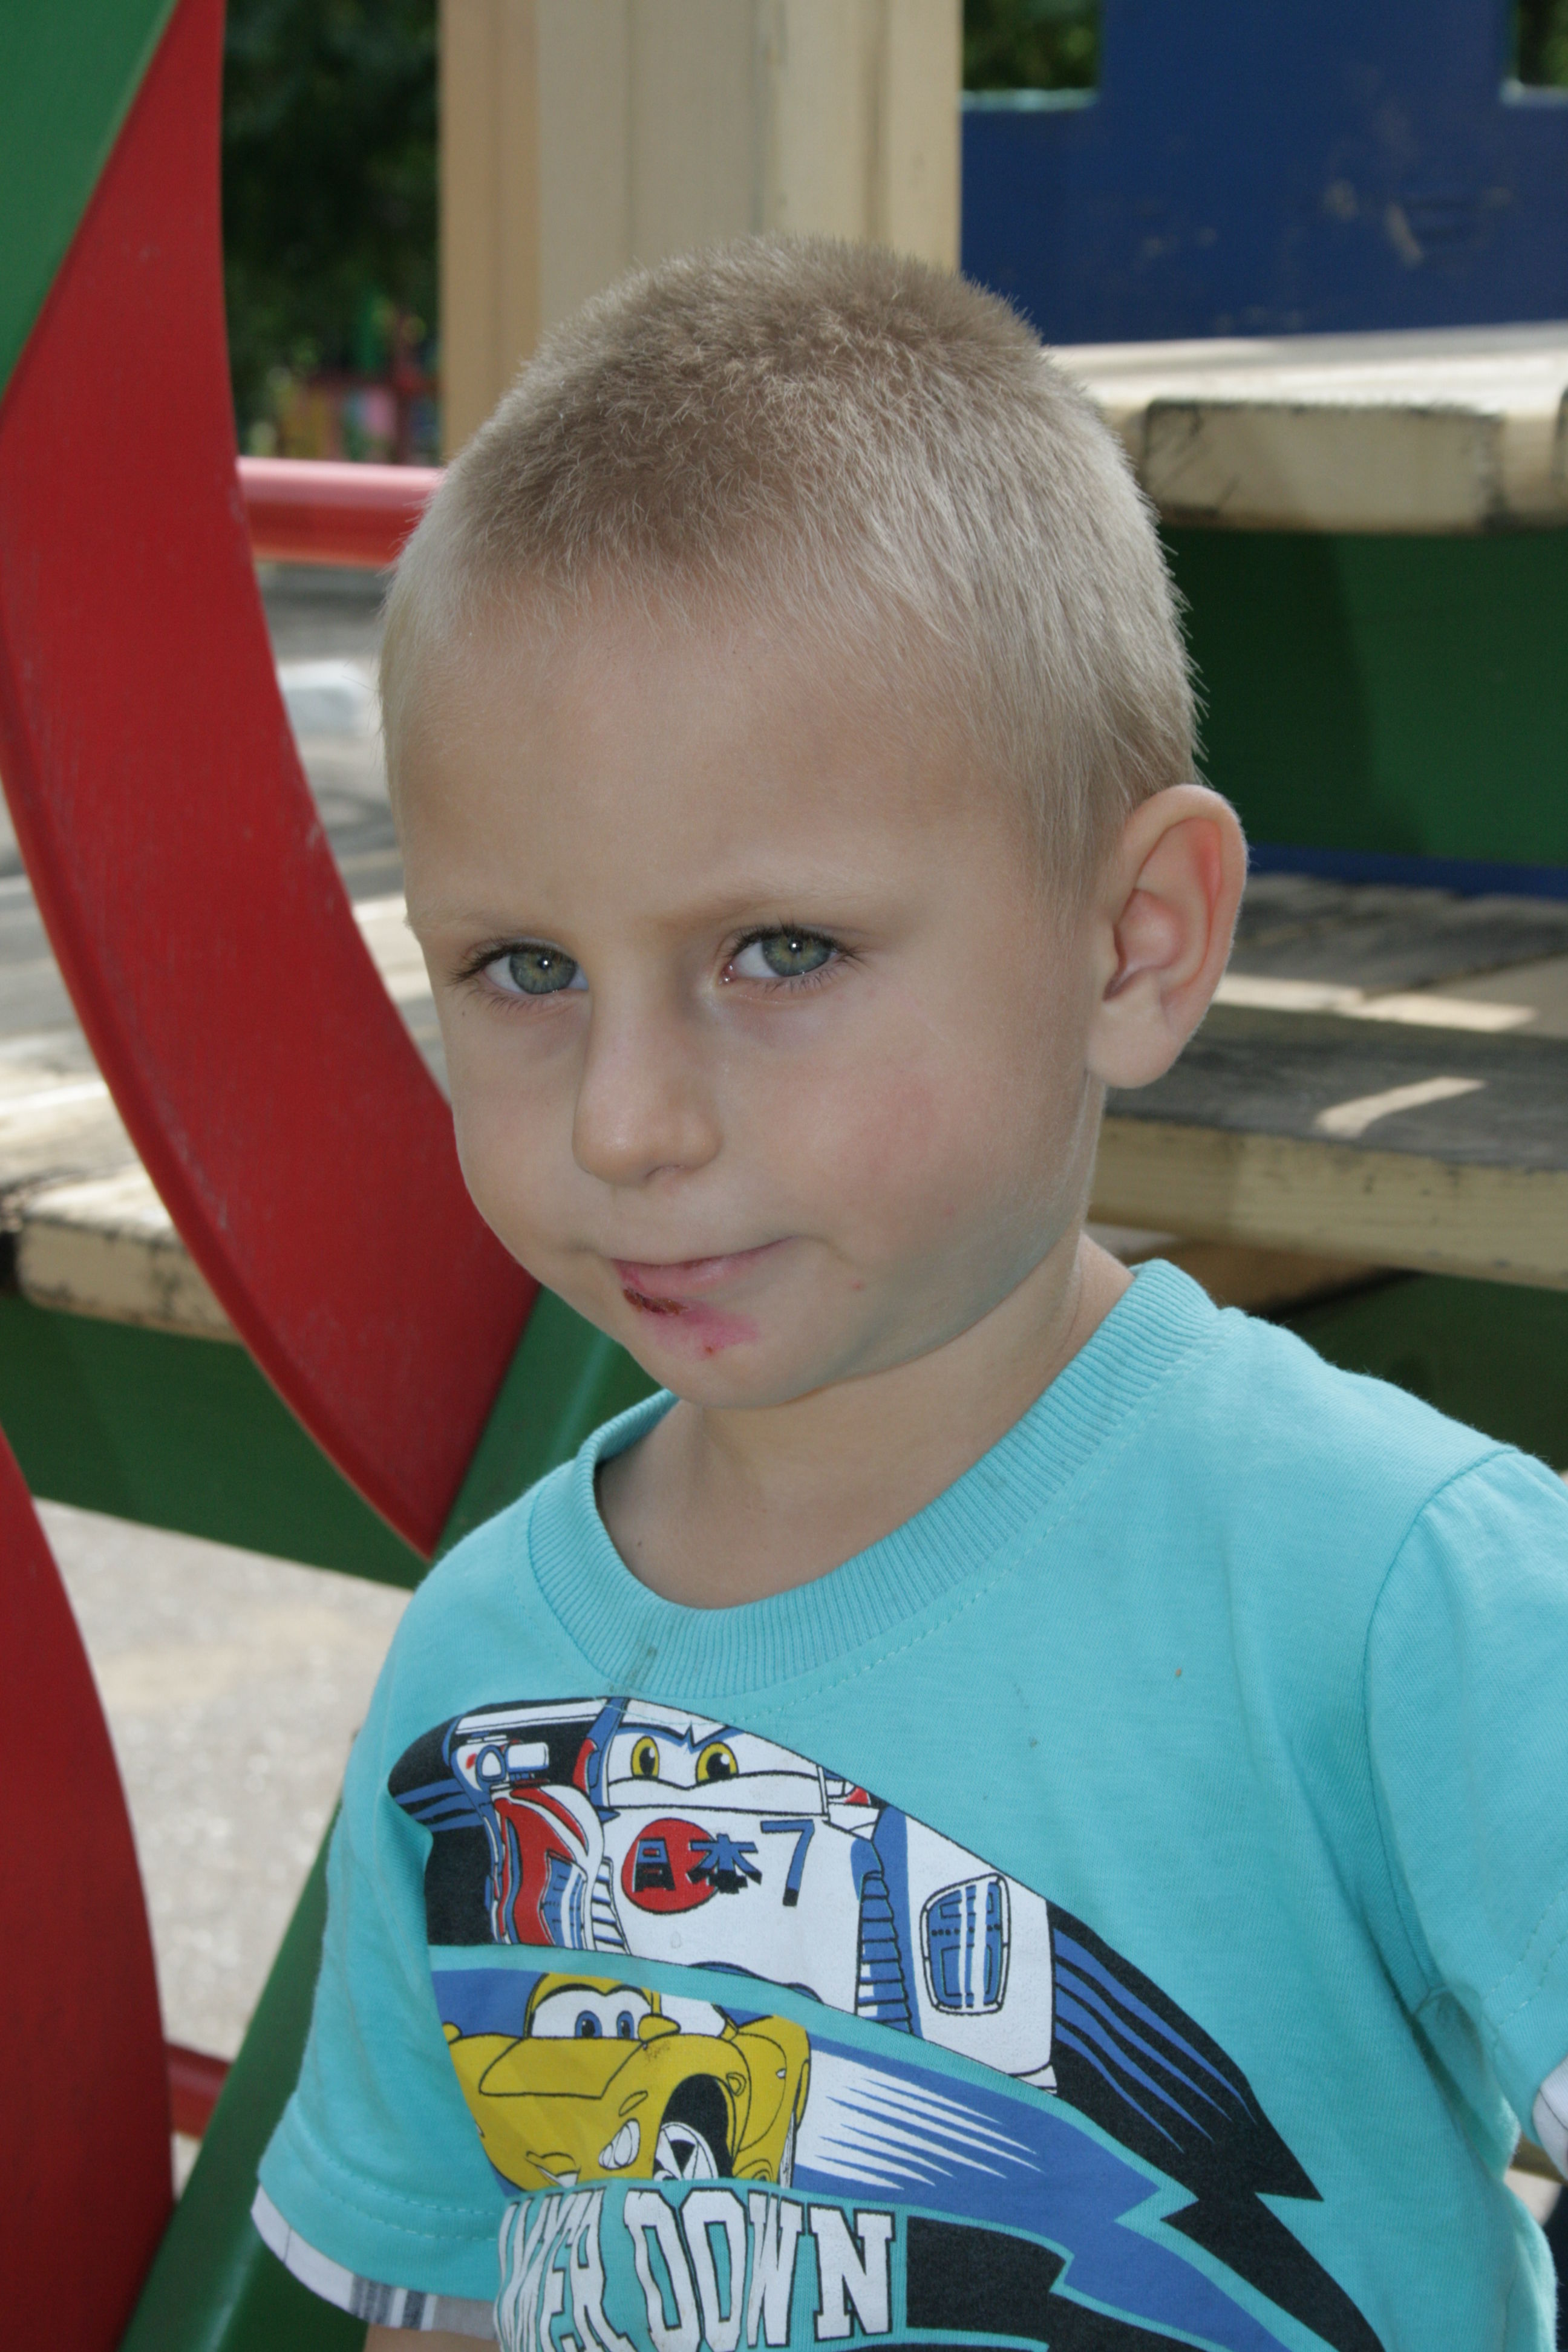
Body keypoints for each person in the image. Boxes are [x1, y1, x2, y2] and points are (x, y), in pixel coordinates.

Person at [252, 238, 1568, 2351]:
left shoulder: (1407, 1592)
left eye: (779, 952)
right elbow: (464, 2301)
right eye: (525, 967)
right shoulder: (479, 1693)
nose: (624, 1120)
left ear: (1134, 944)